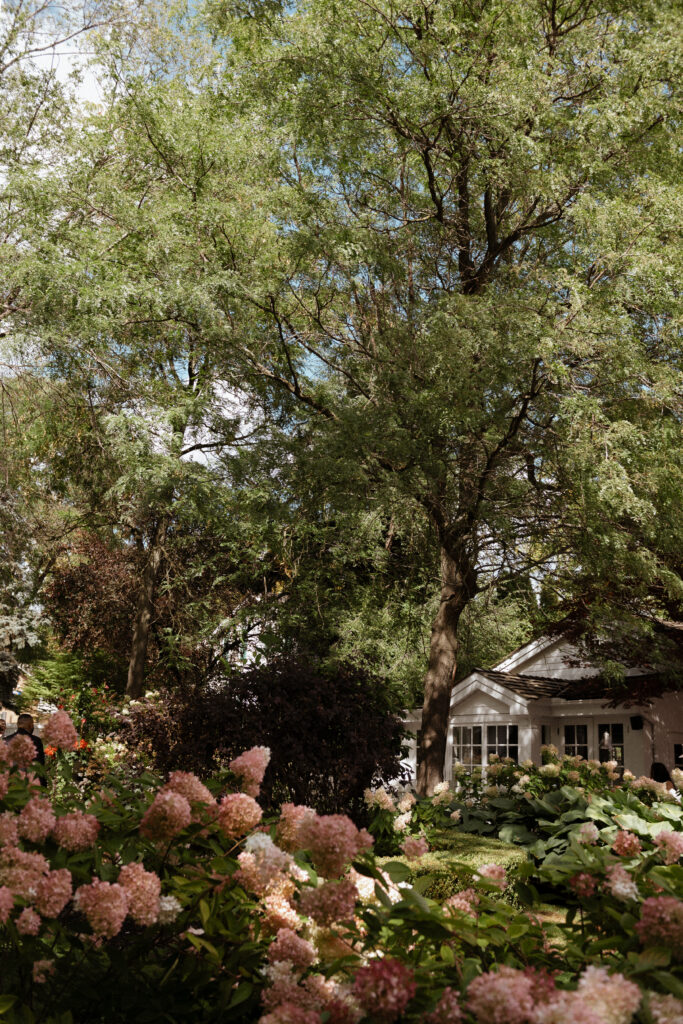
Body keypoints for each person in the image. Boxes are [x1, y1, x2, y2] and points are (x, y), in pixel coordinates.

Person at [3, 713, 46, 784]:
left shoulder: (6, 740)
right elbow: (40, 765)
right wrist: (43, 785)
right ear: (31, 725)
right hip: (29, 783)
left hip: (10, 782)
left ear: (18, 725)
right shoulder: (36, 741)